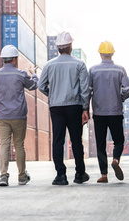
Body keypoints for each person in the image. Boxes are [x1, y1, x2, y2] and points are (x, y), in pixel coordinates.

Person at [38, 31, 90, 185]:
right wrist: (85, 108)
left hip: (56, 107)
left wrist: (52, 94)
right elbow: (85, 89)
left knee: (58, 141)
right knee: (76, 141)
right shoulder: (79, 64)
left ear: (58, 48)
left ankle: (61, 175)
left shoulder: (49, 65)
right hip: (74, 106)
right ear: (70, 46)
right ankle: (80, 173)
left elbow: (41, 86)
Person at [0, 45, 38, 187]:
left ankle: (3, 176)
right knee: (19, 145)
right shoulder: (21, 74)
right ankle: (22, 176)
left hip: (2, 116)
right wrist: (34, 74)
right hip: (19, 116)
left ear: (3, 60)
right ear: (15, 59)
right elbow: (33, 86)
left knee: (4, 145)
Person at [89, 41, 129, 183]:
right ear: (112, 54)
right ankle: (115, 160)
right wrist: (120, 98)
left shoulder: (93, 70)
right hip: (115, 111)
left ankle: (104, 175)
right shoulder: (120, 70)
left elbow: (87, 91)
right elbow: (128, 89)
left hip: (99, 112)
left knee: (100, 144)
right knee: (119, 140)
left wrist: (85, 107)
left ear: (100, 54)